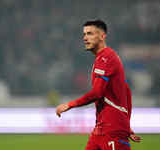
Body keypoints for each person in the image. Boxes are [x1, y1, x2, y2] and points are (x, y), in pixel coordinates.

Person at [56, 20, 141, 150]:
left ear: (102, 36)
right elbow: (126, 91)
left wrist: (70, 104)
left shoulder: (106, 58)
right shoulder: (106, 58)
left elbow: (97, 93)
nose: (85, 38)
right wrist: (126, 125)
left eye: (90, 34)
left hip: (112, 129)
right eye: (84, 34)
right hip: (101, 129)